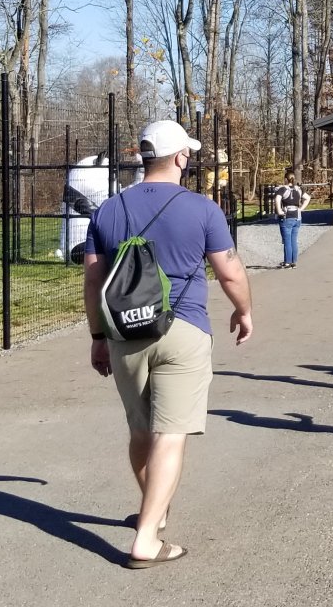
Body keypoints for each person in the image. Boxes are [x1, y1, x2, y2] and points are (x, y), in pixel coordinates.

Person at [83, 119, 254, 568]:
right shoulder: (201, 209)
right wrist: (244, 310)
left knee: (141, 430)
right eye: (188, 155)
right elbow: (230, 271)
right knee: (170, 434)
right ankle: (145, 541)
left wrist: (99, 337)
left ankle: (152, 515)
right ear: (181, 157)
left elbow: (93, 280)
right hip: (183, 329)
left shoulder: (108, 210)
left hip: (125, 333)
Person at [271, 169, 310, 269]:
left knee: (287, 240)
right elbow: (308, 198)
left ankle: (287, 262)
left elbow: (277, 199)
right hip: (297, 217)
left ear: (285, 179)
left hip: (286, 216)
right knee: (294, 240)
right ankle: (294, 262)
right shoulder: (299, 189)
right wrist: (301, 209)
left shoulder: (282, 189)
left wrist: (279, 211)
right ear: (294, 179)